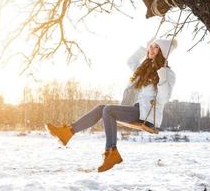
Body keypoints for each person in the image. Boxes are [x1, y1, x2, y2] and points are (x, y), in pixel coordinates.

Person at [46, 39, 176, 172]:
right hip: (136, 109)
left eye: (156, 48)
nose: (152, 49)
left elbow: (164, 98)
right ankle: (68, 132)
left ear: (162, 52)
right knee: (101, 108)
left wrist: (162, 76)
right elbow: (130, 61)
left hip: (147, 115)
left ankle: (112, 151)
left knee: (108, 110)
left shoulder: (167, 73)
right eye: (151, 46)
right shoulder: (145, 69)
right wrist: (145, 48)